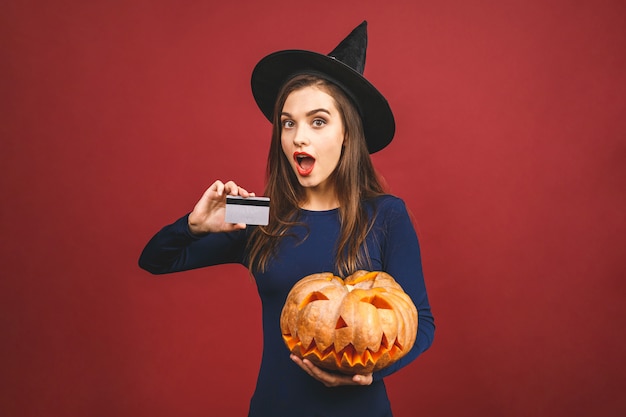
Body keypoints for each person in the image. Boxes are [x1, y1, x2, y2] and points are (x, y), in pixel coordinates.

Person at [139, 21, 435, 417]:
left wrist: (365, 373)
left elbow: (423, 324)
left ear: (348, 133)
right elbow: (156, 260)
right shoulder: (261, 214)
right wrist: (192, 226)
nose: (298, 137)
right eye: (288, 122)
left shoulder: (385, 215)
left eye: (318, 121)